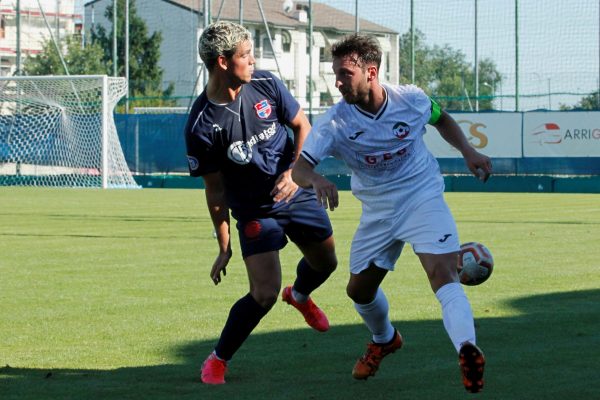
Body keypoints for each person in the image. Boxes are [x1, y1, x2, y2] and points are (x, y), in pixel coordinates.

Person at [292, 34, 492, 393]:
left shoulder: (411, 100)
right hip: (378, 213)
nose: (337, 82)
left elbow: (441, 118)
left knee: (443, 273)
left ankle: (466, 348)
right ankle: (384, 339)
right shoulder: (334, 122)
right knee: (359, 291)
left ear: (371, 72)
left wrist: (468, 151)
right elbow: (299, 170)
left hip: (422, 197)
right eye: (335, 74)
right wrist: (316, 180)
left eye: (344, 73)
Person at [185, 21, 337, 385]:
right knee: (265, 293)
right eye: (245, 55)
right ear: (222, 62)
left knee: (327, 263)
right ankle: (218, 359)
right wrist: (224, 245)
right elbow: (215, 191)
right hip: (256, 211)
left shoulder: (266, 84)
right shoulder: (201, 125)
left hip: (296, 192)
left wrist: (294, 174)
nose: (254, 60)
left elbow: (302, 125)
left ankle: (300, 295)